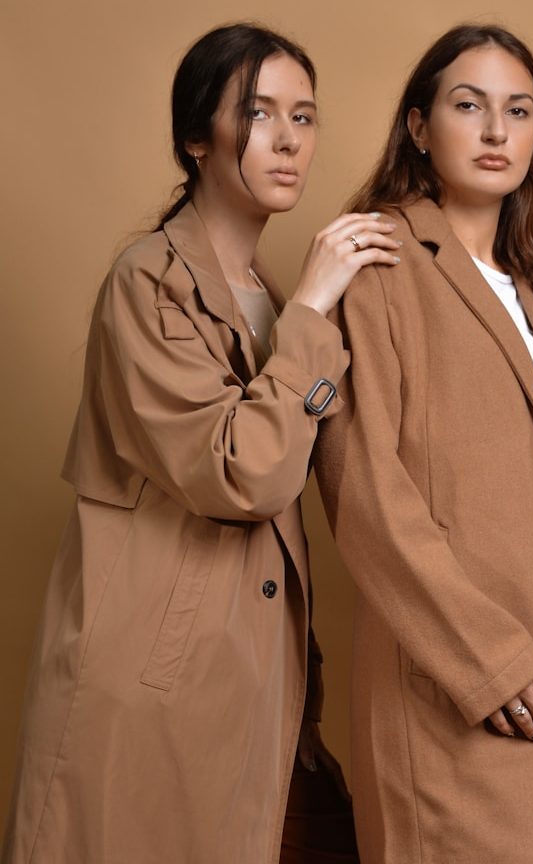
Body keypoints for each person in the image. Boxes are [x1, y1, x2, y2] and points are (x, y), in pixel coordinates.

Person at [1, 23, 399, 864]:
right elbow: (245, 477)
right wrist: (314, 311)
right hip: (154, 684)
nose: (288, 139)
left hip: (251, 683)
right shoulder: (149, 282)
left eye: (303, 115)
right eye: (257, 112)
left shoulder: (271, 299)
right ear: (196, 138)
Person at [313, 24, 533, 864]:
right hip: (462, 691)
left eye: (519, 111)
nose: (498, 131)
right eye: (470, 106)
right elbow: (362, 486)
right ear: (419, 127)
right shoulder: (380, 260)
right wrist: (487, 660)